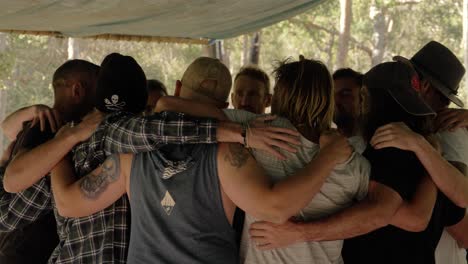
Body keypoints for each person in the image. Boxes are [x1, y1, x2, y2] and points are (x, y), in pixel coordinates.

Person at [49, 57, 353, 264]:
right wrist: (329, 156)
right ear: (226, 104)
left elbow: (67, 203)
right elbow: (274, 208)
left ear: (179, 88)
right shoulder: (228, 153)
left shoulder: (130, 155)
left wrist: (58, 144)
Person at [249, 61, 466, 264]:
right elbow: (446, 208)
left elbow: (403, 216)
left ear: (366, 98)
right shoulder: (427, 153)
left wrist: (299, 233)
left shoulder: (389, 146)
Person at [370, 41, 468, 263]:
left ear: (421, 85)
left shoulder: (446, 131)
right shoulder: (421, 129)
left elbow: (459, 196)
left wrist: (424, 147)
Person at [0, 59, 100, 264]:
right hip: (24, 253)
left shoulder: (43, 126)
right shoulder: (50, 130)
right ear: (78, 90)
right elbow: (11, 203)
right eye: (98, 90)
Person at [332, 68, 363, 138]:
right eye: (331, 95)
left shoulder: (379, 138)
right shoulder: (323, 141)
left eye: (345, 94)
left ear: (363, 98)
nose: (335, 100)